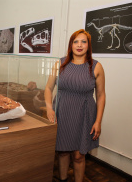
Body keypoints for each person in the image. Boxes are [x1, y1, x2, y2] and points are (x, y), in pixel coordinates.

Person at [45, 29, 106, 182]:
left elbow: (101, 95)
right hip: (62, 112)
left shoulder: (96, 66)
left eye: (83, 42)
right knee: (63, 152)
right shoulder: (60, 63)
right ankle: (63, 179)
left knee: (79, 156)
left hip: (84, 114)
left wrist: (98, 121)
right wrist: (49, 108)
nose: (79, 45)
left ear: (88, 45)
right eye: (76, 41)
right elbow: (48, 88)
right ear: (71, 45)